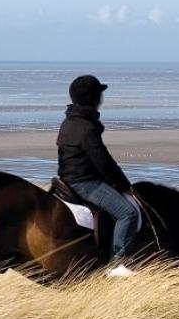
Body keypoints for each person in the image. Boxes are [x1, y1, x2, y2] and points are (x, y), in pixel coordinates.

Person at [56, 75, 138, 277]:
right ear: (93, 98)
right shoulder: (87, 127)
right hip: (85, 183)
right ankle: (118, 263)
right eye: (99, 95)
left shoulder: (69, 121)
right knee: (128, 213)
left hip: (67, 179)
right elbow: (103, 161)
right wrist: (124, 185)